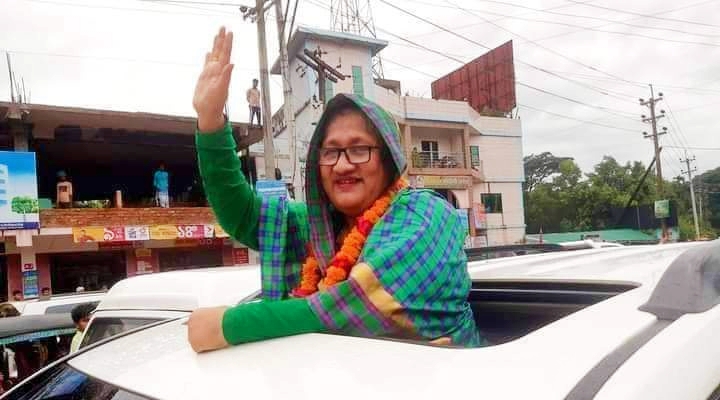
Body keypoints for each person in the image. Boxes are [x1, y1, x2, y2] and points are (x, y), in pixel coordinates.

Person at [187, 27, 480, 353]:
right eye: (330, 152)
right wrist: (210, 123)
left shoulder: (426, 215)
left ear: (388, 160)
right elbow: (244, 215)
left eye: (359, 149)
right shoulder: (323, 228)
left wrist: (228, 326)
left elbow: (350, 305)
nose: (342, 165)